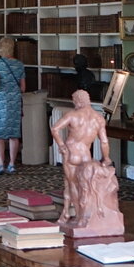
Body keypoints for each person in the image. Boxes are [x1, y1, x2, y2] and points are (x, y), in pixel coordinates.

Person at [50, 89, 120, 231]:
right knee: (84, 186)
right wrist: (106, 158)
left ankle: (80, 217)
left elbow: (55, 128)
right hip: (86, 156)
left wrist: (62, 145)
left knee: (74, 186)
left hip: (72, 154)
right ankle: (76, 214)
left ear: (78, 101)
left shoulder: (73, 115)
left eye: (74, 101)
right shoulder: (99, 118)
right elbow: (104, 141)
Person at [0, 36, 26, 174]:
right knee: (14, 133)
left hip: (1, 100)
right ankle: (12, 164)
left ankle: (1, 164)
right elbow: (23, 88)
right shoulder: (20, 65)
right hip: (15, 100)